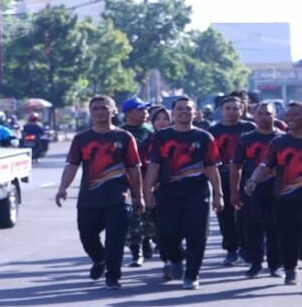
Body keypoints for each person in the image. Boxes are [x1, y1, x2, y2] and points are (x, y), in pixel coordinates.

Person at [245, 102, 302, 294]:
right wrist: (253, 180)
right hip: (284, 200)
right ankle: (290, 268)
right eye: (288, 115)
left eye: (296, 114)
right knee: (287, 238)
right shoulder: (279, 143)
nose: (291, 118)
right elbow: (266, 166)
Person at [55, 95, 144, 290]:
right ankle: (99, 259)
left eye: (104, 108)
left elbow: (133, 168)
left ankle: (113, 276)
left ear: (113, 111)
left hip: (119, 197)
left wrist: (139, 196)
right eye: (95, 108)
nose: (100, 111)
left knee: (115, 240)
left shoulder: (124, 137)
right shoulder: (82, 139)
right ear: (90, 112)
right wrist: (63, 188)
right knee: (87, 236)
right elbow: (72, 165)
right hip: (90, 197)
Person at [143, 97, 224, 290]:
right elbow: (154, 165)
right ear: (173, 113)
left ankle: (192, 275)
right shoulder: (161, 136)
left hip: (197, 191)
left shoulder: (204, 137)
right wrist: (147, 190)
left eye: (188, 109)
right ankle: (177, 257)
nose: (184, 112)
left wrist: (218, 194)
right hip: (168, 192)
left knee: (197, 235)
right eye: (180, 109)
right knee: (167, 233)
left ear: (195, 113)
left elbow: (212, 168)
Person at [230, 101, 283, 278]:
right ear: (254, 116)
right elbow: (236, 165)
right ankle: (256, 263)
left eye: (268, 113)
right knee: (253, 225)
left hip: (278, 188)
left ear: (275, 115)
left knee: (276, 226)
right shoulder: (246, 139)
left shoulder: (283, 138)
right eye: (260, 113)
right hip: (252, 189)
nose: (264, 117)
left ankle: (276, 264)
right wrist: (235, 191)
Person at [209, 96, 256, 266]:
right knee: (225, 214)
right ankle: (231, 249)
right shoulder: (214, 132)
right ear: (221, 111)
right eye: (228, 108)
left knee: (248, 215)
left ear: (242, 110)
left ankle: (247, 248)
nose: (231, 112)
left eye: (235, 108)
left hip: (248, 177)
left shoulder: (250, 128)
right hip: (223, 177)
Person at [119, 97, 157, 267]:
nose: (145, 113)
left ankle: (148, 239)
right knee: (131, 216)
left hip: (148, 180)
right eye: (141, 110)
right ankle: (136, 251)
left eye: (145, 110)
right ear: (129, 113)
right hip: (126, 182)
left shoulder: (151, 133)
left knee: (149, 214)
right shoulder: (120, 133)